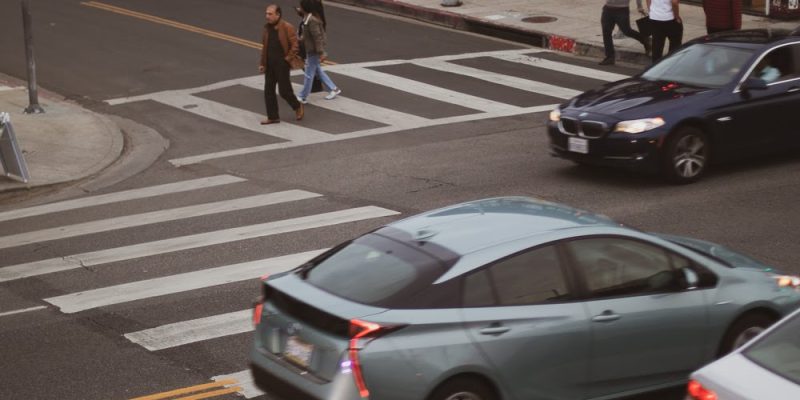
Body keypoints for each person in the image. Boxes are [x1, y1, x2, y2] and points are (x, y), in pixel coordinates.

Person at [258, 4, 304, 125]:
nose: (267, 16)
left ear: (278, 15)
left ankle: (297, 106)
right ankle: (273, 117)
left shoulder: (287, 27)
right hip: (270, 64)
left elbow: (295, 45)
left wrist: (287, 59)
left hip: (282, 64)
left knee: (284, 91)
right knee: (268, 91)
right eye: (266, 13)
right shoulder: (267, 28)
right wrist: (262, 63)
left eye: (270, 14)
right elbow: (265, 48)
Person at [296, 0, 341, 104]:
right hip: (311, 49)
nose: (299, 8)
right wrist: (302, 38)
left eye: (301, 6)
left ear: (305, 8)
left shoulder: (312, 21)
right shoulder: (307, 19)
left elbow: (317, 38)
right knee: (318, 71)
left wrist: (321, 53)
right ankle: (333, 89)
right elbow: (309, 35)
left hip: (313, 51)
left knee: (309, 74)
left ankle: (302, 96)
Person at [599, 0, 652, 66]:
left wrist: (639, 6)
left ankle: (645, 40)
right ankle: (610, 57)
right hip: (608, 9)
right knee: (606, 33)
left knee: (627, 31)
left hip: (622, 10)